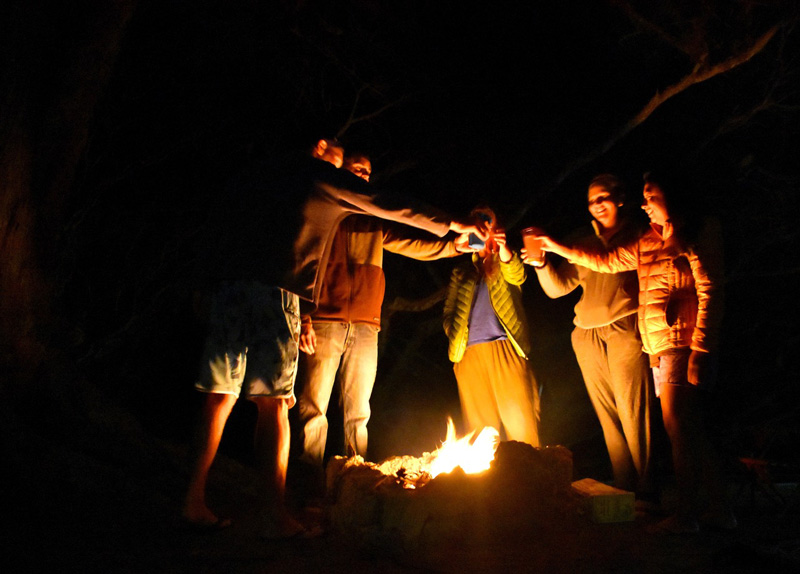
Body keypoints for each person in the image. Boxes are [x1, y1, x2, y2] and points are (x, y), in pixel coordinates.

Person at [182, 137, 488, 538]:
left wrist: (204, 281)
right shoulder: (316, 178)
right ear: (322, 150)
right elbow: (386, 200)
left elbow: (221, 219)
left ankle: (192, 501)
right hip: (277, 294)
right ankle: (276, 514)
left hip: (232, 289)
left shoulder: (263, 172)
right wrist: (453, 222)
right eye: (338, 164)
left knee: (219, 397)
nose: (341, 174)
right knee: (276, 405)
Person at [534, 170, 735, 534]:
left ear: (672, 198)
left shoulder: (698, 233)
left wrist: (702, 349)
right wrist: (557, 249)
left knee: (679, 427)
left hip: (683, 341)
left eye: (651, 197)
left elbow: (711, 290)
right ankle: (719, 509)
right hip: (659, 343)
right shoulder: (647, 239)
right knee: (688, 430)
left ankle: (686, 516)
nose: (646, 205)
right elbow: (606, 261)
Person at [294, 152, 475, 494]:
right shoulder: (327, 212)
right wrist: (304, 315)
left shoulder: (373, 222)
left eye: (367, 172)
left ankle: (353, 484)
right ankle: (306, 487)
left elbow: (412, 243)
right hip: (324, 320)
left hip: (365, 324)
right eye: (355, 170)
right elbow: (304, 264)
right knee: (313, 408)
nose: (362, 176)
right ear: (342, 173)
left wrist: (452, 246)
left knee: (358, 412)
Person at [522, 174, 656, 502]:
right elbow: (557, 290)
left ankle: (648, 487)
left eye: (603, 198)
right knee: (607, 415)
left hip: (625, 326)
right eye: (591, 201)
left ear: (620, 199)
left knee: (633, 410)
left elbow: (610, 263)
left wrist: (557, 246)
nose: (597, 206)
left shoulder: (638, 234)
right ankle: (624, 486)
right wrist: (541, 263)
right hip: (586, 332)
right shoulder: (582, 239)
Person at [443, 207, 540, 446]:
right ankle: (486, 482)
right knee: (478, 434)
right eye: (477, 224)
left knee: (521, 426)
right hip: (468, 355)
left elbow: (517, 274)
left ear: (497, 230)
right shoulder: (462, 271)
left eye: (487, 224)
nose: (482, 230)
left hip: (505, 349)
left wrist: (503, 248)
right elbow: (448, 312)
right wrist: (454, 333)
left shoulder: (507, 261)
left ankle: (534, 479)